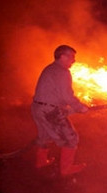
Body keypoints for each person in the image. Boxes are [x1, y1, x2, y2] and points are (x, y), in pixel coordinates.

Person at [31, 45, 89, 176]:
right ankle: (66, 169)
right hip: (49, 111)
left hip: (37, 108)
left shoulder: (50, 68)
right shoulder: (63, 72)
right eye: (72, 57)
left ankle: (41, 162)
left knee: (44, 135)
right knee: (71, 138)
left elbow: (55, 94)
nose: (73, 61)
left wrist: (65, 108)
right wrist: (80, 107)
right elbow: (66, 95)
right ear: (62, 56)